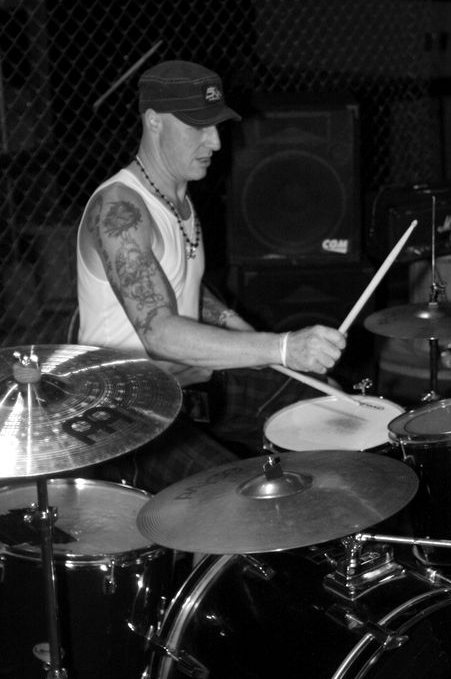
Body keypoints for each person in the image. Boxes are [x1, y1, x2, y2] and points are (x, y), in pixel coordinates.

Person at [76, 59, 347, 492]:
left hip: (186, 385)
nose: (215, 142)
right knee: (231, 498)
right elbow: (159, 332)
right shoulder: (120, 209)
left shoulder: (178, 196)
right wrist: (281, 347)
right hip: (123, 412)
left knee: (333, 408)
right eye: (198, 126)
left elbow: (179, 282)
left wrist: (233, 324)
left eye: (217, 125)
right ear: (154, 121)